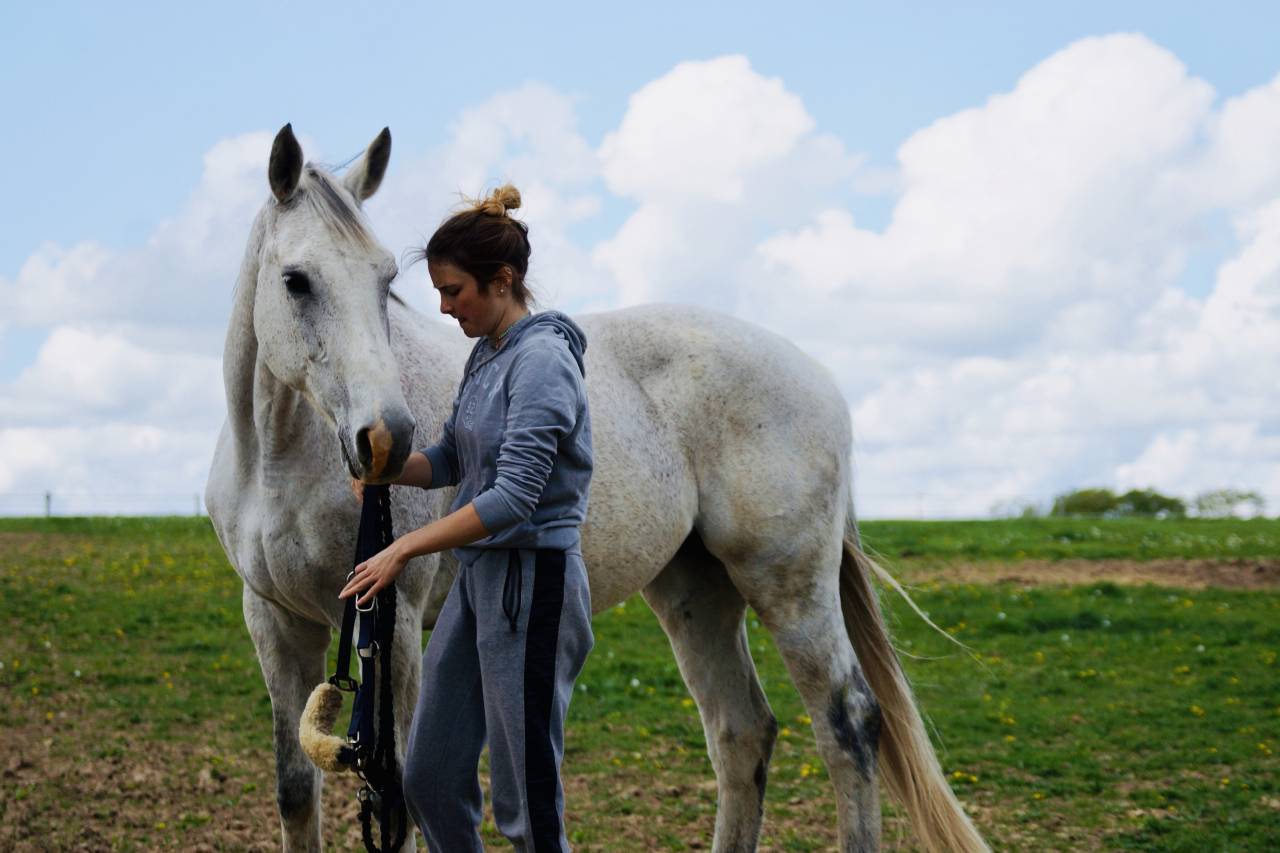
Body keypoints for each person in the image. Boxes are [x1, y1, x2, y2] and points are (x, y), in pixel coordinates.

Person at [338, 184, 594, 852]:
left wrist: (404, 549)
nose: (446, 308)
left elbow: (514, 497)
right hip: (480, 585)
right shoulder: (488, 353)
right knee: (428, 775)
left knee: (526, 805)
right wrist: (387, 470)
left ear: (503, 280)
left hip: (532, 586)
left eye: (455, 292)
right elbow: (454, 453)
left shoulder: (542, 363)